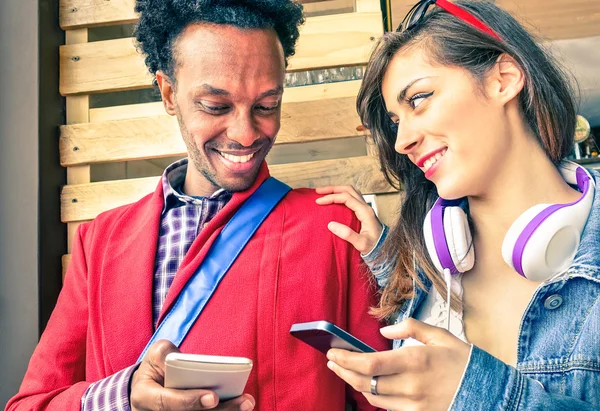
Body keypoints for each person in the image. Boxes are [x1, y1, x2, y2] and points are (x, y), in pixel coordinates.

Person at [6, 1, 389, 410]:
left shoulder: (334, 227)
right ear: (169, 93)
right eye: (215, 106)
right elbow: (29, 404)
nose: (245, 135)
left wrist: (389, 262)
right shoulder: (99, 242)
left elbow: (386, 398)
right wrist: (122, 397)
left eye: (266, 105)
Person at [316, 0, 600, 409]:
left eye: (419, 99)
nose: (402, 142)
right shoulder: (432, 259)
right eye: (396, 121)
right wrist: (383, 254)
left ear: (503, 79)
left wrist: (472, 392)